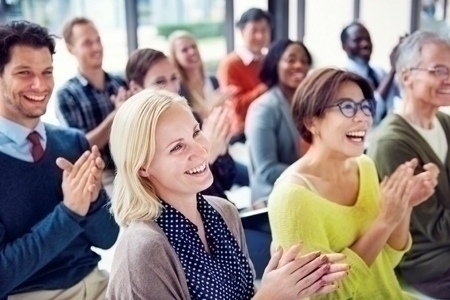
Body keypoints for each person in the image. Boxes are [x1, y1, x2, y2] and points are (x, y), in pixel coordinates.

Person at [106, 88, 349, 299]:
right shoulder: (143, 251)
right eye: (177, 147)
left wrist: (287, 286)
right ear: (143, 167)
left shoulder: (224, 212)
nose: (200, 150)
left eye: (196, 132)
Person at [268, 68, 438, 299]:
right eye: (347, 107)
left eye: (365, 106)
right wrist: (384, 221)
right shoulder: (292, 197)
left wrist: (404, 204)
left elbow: (385, 261)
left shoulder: (364, 165)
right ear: (311, 121)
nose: (363, 117)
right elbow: (325, 296)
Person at [0, 20, 119, 299]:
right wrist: (69, 213)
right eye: (24, 73)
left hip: (100, 282)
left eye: (47, 72)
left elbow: (108, 238)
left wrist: (92, 203)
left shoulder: (72, 142)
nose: (40, 84)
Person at [367, 30, 450, 299]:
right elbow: (436, 228)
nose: (447, 79)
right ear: (406, 76)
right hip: (426, 259)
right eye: (438, 70)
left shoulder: (445, 124)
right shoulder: (391, 142)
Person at [125, 48, 238, 199]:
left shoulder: (192, 118)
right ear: (135, 88)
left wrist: (221, 149)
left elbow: (227, 181)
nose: (171, 88)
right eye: (160, 82)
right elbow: (170, 203)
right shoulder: (137, 139)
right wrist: (206, 156)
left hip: (221, 211)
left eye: (174, 78)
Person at [57, 17, 128, 197]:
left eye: (98, 40)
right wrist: (117, 114)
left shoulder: (120, 83)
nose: (97, 47)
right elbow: (79, 148)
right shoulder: (67, 95)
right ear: (70, 48)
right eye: (87, 43)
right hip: (100, 180)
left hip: (134, 169)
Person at [168, 30, 249, 188]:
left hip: (222, 150)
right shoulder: (178, 89)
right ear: (175, 57)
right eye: (184, 50)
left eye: (193, 47)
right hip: (199, 157)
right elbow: (188, 127)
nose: (191, 52)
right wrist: (210, 108)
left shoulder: (212, 80)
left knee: (249, 176)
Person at [246, 39, 312, 203]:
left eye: (304, 61)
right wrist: (316, 172)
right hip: (274, 199)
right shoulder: (263, 109)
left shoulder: (309, 104)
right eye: (291, 60)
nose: (299, 66)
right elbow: (267, 170)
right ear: (276, 64)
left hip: (308, 192)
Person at [217, 8, 272, 143]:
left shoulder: (268, 60)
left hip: (268, 124)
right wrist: (266, 87)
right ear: (242, 32)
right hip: (242, 134)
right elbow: (237, 108)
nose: (259, 36)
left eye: (264, 30)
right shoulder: (231, 64)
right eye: (254, 31)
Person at [341, 22, 401, 126]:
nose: (365, 44)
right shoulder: (344, 77)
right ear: (344, 46)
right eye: (357, 40)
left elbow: (405, 93)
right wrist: (392, 70)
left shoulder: (379, 72)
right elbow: (372, 111)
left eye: (368, 39)